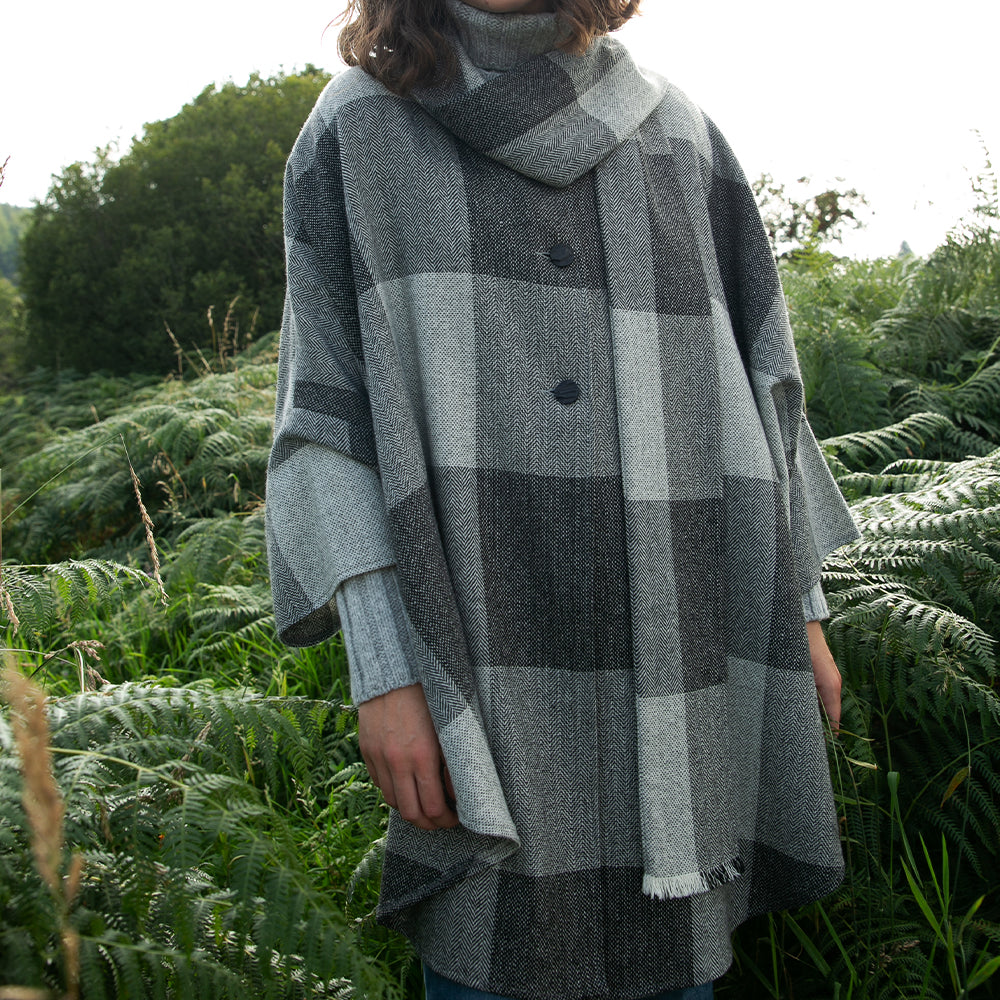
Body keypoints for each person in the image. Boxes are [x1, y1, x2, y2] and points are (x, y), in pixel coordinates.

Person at [265, 0, 860, 997]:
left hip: (682, 650)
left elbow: (766, 390)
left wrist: (799, 614)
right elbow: (323, 415)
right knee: (494, 954)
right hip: (477, 652)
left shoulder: (680, 132)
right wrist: (386, 676)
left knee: (673, 970)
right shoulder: (359, 129)